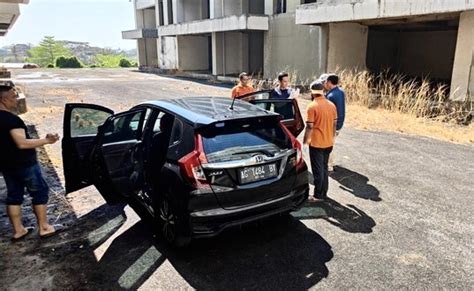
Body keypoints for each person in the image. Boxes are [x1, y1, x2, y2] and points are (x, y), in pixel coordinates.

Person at [0, 84, 61, 241]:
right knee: (40, 192)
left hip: (6, 165)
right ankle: (44, 227)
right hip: (24, 164)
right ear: (3, 99)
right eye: (13, 97)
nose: (17, 100)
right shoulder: (12, 120)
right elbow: (21, 143)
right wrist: (46, 140)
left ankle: (18, 230)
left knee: (14, 196)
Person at [303, 81, 337, 202]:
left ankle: (318, 195)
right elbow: (334, 124)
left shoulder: (312, 106)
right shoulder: (331, 105)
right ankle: (324, 193)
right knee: (324, 168)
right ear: (323, 91)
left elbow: (310, 126)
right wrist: (332, 138)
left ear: (312, 91)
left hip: (317, 143)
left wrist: (305, 142)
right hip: (328, 142)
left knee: (318, 171)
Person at [322, 74, 345, 171]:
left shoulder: (330, 96)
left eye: (326, 82)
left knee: (328, 144)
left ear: (330, 82)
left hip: (332, 125)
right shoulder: (340, 92)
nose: (325, 84)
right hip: (339, 123)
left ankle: (329, 165)